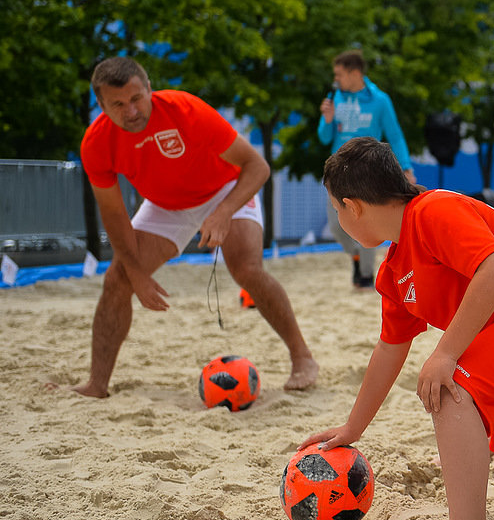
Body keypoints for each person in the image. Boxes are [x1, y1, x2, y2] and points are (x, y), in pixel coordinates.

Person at [302, 137, 494, 520]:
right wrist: (354, 427)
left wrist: (445, 354)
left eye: (336, 208)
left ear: (352, 205)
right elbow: (390, 348)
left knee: (449, 387)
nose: (338, 216)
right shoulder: (392, 271)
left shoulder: (433, 210)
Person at [70, 57, 318, 398]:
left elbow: (257, 167)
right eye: (118, 104)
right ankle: (96, 384)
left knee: (245, 268)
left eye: (136, 98)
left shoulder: (184, 109)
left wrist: (224, 211)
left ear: (149, 90)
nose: (131, 111)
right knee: (118, 278)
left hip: (226, 189)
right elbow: (113, 216)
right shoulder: (96, 143)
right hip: (165, 204)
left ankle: (302, 357)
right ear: (101, 106)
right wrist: (136, 273)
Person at [318, 48, 414, 289]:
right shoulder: (335, 98)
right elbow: (323, 137)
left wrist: (406, 167)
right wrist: (327, 119)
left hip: (369, 170)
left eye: (339, 74)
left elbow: (395, 136)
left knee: (369, 222)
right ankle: (357, 257)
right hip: (338, 169)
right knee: (336, 226)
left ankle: (366, 276)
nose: (335, 79)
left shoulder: (380, 100)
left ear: (354, 73)